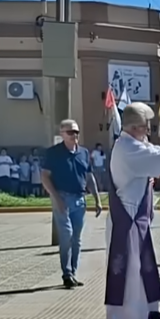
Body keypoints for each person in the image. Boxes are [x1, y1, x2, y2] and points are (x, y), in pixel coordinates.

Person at [104, 104, 160, 319]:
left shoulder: (132, 145)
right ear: (134, 127)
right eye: (146, 127)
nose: (149, 132)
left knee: (144, 267)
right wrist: (154, 147)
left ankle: (149, 313)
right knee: (130, 271)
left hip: (136, 217)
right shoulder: (128, 148)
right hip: (128, 217)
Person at [42, 119, 103, 289]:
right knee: (66, 236)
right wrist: (56, 198)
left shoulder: (83, 153)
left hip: (79, 199)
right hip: (61, 197)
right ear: (62, 134)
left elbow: (89, 177)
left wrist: (97, 199)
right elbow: (45, 177)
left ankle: (73, 273)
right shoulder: (53, 153)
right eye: (70, 132)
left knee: (76, 239)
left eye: (76, 132)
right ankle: (67, 273)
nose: (74, 135)